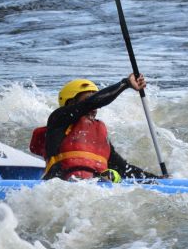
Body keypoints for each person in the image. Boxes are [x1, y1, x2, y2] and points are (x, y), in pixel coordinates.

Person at [29, 73, 161, 182]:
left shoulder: (98, 135)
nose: (95, 107)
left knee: (113, 174)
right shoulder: (58, 120)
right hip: (60, 185)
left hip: (94, 187)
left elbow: (124, 169)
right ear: (70, 103)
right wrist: (125, 83)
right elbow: (92, 103)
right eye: (87, 99)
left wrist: (157, 180)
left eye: (95, 100)